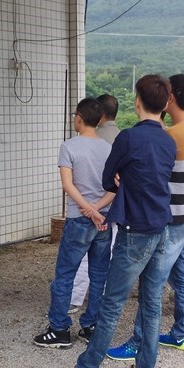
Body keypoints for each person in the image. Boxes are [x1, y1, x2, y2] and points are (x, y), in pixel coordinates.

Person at [47, 75, 176, 368]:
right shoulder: (168, 140)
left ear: (137, 102)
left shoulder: (129, 138)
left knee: (112, 302)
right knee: (151, 302)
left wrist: (122, 178)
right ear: (165, 105)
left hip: (135, 228)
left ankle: (86, 367)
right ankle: (145, 367)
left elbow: (109, 180)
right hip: (162, 226)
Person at [107, 73, 184, 358]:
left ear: (170, 97)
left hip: (170, 217)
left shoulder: (169, 135)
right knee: (181, 275)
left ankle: (138, 341)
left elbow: (147, 176)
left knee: (154, 283)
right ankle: (182, 333)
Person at [34, 98, 115, 348]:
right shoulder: (108, 148)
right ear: (100, 120)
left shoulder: (68, 146)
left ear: (78, 118)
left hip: (79, 219)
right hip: (104, 219)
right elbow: (116, 186)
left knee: (65, 275)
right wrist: (97, 209)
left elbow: (68, 185)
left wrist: (88, 210)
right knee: (99, 275)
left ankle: (59, 329)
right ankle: (91, 326)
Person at [69, 94, 121, 312]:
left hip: (85, 208)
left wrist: (91, 208)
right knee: (107, 254)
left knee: (81, 258)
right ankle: (101, 301)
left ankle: (74, 299)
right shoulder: (121, 137)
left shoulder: (93, 138)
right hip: (111, 206)